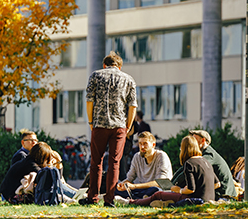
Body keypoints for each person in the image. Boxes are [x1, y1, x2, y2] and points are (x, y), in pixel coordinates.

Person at [81, 52, 137, 207]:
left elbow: (89, 101)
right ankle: (109, 200)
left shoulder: (95, 76)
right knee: (114, 163)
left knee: (96, 162)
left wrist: (91, 121)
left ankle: (92, 197)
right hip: (119, 126)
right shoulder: (128, 79)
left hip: (99, 124)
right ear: (119, 66)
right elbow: (132, 106)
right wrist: (128, 125)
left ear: (104, 65)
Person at [127, 135, 219, 206]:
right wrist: (202, 188)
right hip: (210, 199)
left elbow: (191, 189)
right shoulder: (205, 161)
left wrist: (179, 190)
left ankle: (131, 202)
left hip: (195, 200)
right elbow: (217, 184)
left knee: (158, 194)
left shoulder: (190, 163)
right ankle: (164, 203)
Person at [171, 130, 238, 199]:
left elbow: (190, 169)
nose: (192, 142)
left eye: (194, 140)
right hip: (217, 190)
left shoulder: (208, 154)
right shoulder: (201, 155)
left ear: (203, 141)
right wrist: (172, 182)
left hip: (223, 193)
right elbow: (184, 169)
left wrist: (173, 186)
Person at [114, 131, 172, 200]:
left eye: (145, 144)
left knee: (155, 190)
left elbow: (160, 183)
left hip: (159, 189)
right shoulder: (137, 157)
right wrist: (121, 185)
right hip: (141, 190)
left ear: (153, 145)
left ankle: (137, 199)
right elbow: (129, 179)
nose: (142, 147)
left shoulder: (161, 156)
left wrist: (134, 186)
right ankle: (143, 199)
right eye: (140, 144)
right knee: (116, 190)